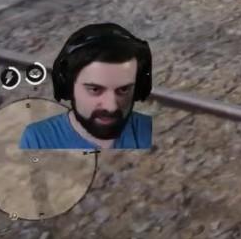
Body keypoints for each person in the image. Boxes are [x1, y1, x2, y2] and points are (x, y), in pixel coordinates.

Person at [20, 23, 153, 150]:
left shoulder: (152, 131)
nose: (111, 107)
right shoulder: (37, 139)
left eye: (124, 89)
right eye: (95, 89)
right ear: (68, 86)